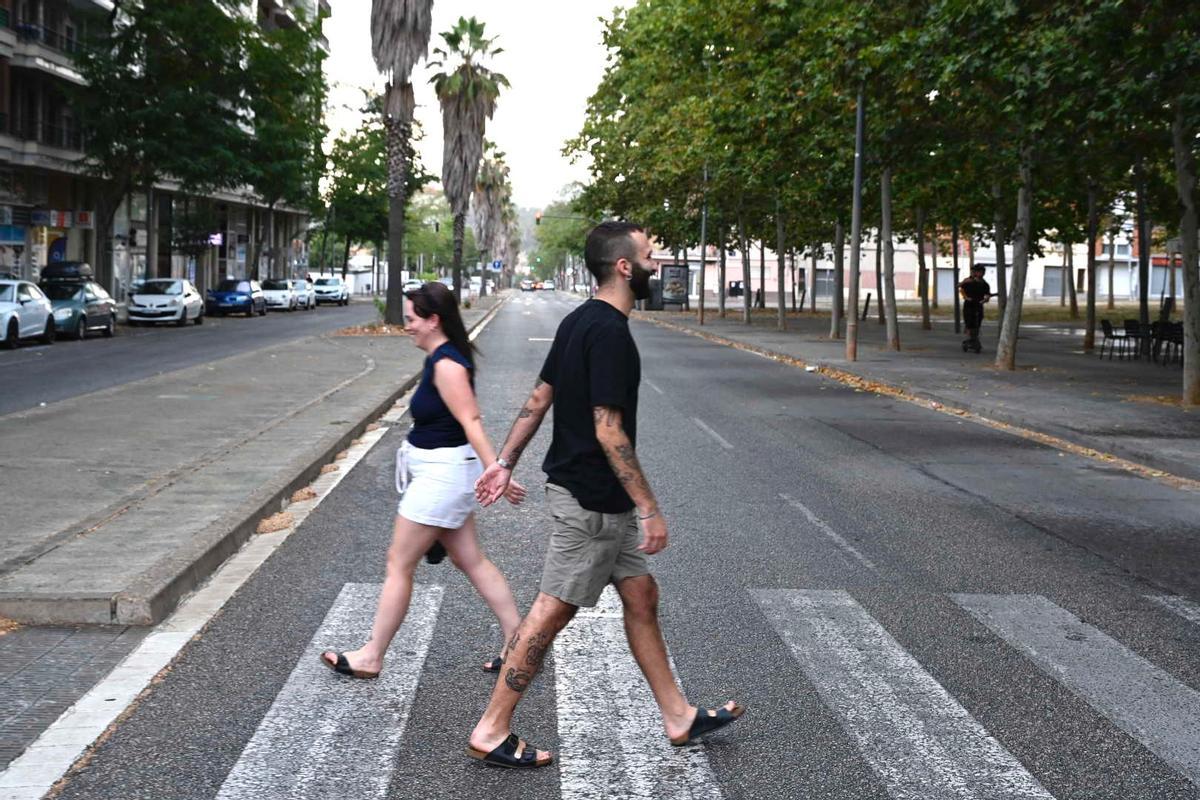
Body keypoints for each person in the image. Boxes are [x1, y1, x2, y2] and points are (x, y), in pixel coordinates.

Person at [466, 222, 744, 769]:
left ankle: (678, 715)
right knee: (550, 612)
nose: (656, 263)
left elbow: (540, 396)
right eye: (648, 255)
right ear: (624, 267)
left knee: (641, 596)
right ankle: (492, 726)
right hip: (593, 502)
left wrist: (503, 462)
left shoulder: (578, 321)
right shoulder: (610, 333)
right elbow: (608, 429)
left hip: (600, 502)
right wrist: (651, 508)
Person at [321, 281, 525, 679]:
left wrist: (496, 470)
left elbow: (471, 421)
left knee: (399, 564)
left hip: (442, 477)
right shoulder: (439, 358)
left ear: (434, 320)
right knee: (471, 561)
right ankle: (518, 644)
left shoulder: (448, 365)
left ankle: (371, 656)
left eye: (413, 319)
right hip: (443, 472)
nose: (407, 326)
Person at [959, 264, 993, 353]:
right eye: (979, 272)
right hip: (969, 305)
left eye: (982, 272)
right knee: (969, 322)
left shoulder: (985, 284)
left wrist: (986, 299)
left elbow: (987, 294)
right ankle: (970, 338)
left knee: (978, 322)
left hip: (978, 305)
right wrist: (966, 297)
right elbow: (961, 289)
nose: (981, 273)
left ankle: (974, 339)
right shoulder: (968, 281)